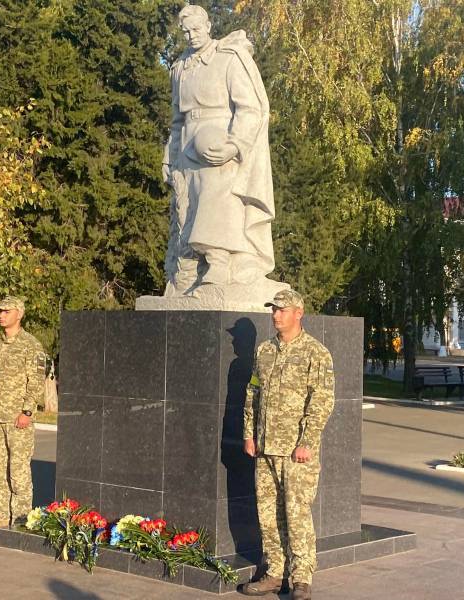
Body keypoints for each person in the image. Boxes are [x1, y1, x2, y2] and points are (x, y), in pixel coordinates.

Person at [162, 4, 276, 291]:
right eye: (186, 31)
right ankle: (187, 272)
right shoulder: (179, 69)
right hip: (188, 142)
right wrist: (169, 157)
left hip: (220, 143)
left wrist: (235, 145)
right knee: (185, 208)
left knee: (216, 198)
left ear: (209, 26)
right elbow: (176, 121)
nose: (191, 36)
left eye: (196, 29)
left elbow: (250, 108)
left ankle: (220, 262)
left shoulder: (228, 59)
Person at [241, 290, 335, 600]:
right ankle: (274, 573)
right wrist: (249, 434)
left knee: (296, 515)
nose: (275, 315)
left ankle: (301, 579)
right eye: (273, 309)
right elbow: (253, 392)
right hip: (266, 448)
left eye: (282, 309)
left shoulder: (315, 353)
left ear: (298, 312)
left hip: (297, 452)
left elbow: (322, 401)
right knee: (268, 513)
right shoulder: (264, 351)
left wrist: (307, 442)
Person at [0, 296, 46, 537]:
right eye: (0, 311)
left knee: (18, 473)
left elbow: (36, 383)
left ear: (19, 314)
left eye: (6, 311)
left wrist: (27, 411)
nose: (1, 314)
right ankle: (1, 519)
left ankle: (20, 522)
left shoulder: (31, 345)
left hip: (18, 419)